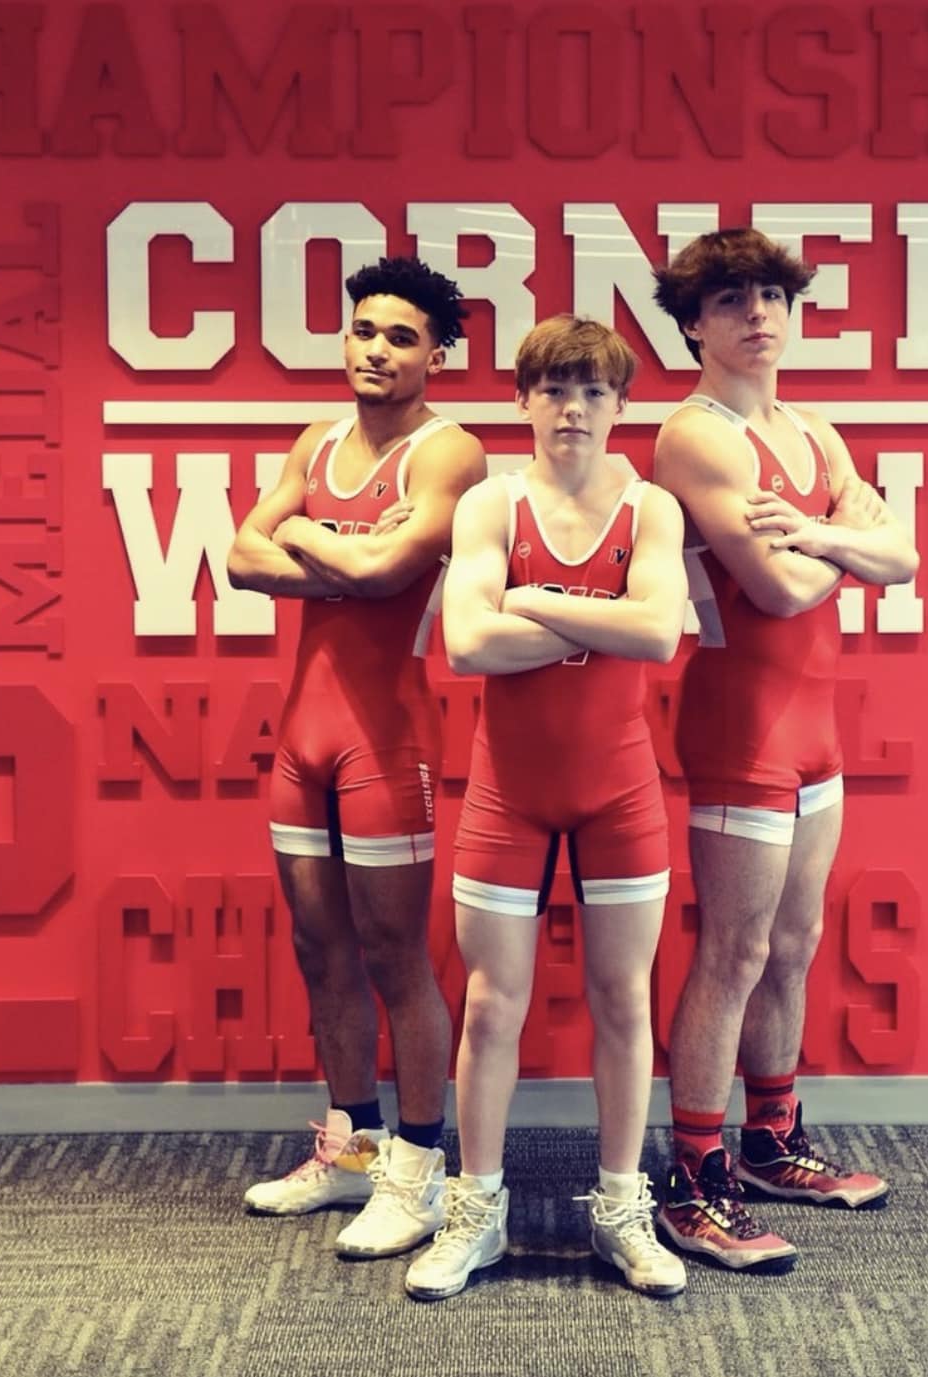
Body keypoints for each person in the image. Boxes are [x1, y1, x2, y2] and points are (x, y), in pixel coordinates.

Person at [648, 229, 919, 1271]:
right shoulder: (695, 438)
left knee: (794, 944)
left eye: (771, 295)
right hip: (742, 725)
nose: (758, 314)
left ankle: (770, 1142)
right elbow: (778, 590)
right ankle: (694, 1183)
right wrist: (836, 540)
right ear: (693, 326)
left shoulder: (815, 431)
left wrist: (811, 532)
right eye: (729, 301)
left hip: (817, 728)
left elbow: (903, 555)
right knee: (733, 950)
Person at [403, 316, 688, 1301]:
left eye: (594, 392)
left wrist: (534, 602)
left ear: (621, 407)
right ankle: (474, 1213)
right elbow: (468, 647)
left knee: (624, 1000)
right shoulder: (489, 505)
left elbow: (656, 634)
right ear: (523, 402)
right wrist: (582, 619)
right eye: (555, 390)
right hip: (507, 795)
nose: (573, 410)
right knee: (492, 1008)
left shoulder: (651, 510)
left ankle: (620, 1207)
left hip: (621, 792)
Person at [227, 257, 486, 1259]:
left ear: (437, 354)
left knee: (393, 958)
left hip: (388, 739)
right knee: (317, 949)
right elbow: (240, 557)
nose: (376, 350)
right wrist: (323, 532)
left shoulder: (448, 452)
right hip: (304, 736)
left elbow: (385, 576)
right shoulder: (318, 441)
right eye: (363, 331)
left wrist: (298, 530)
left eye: (401, 337)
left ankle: (416, 1178)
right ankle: (349, 1153)